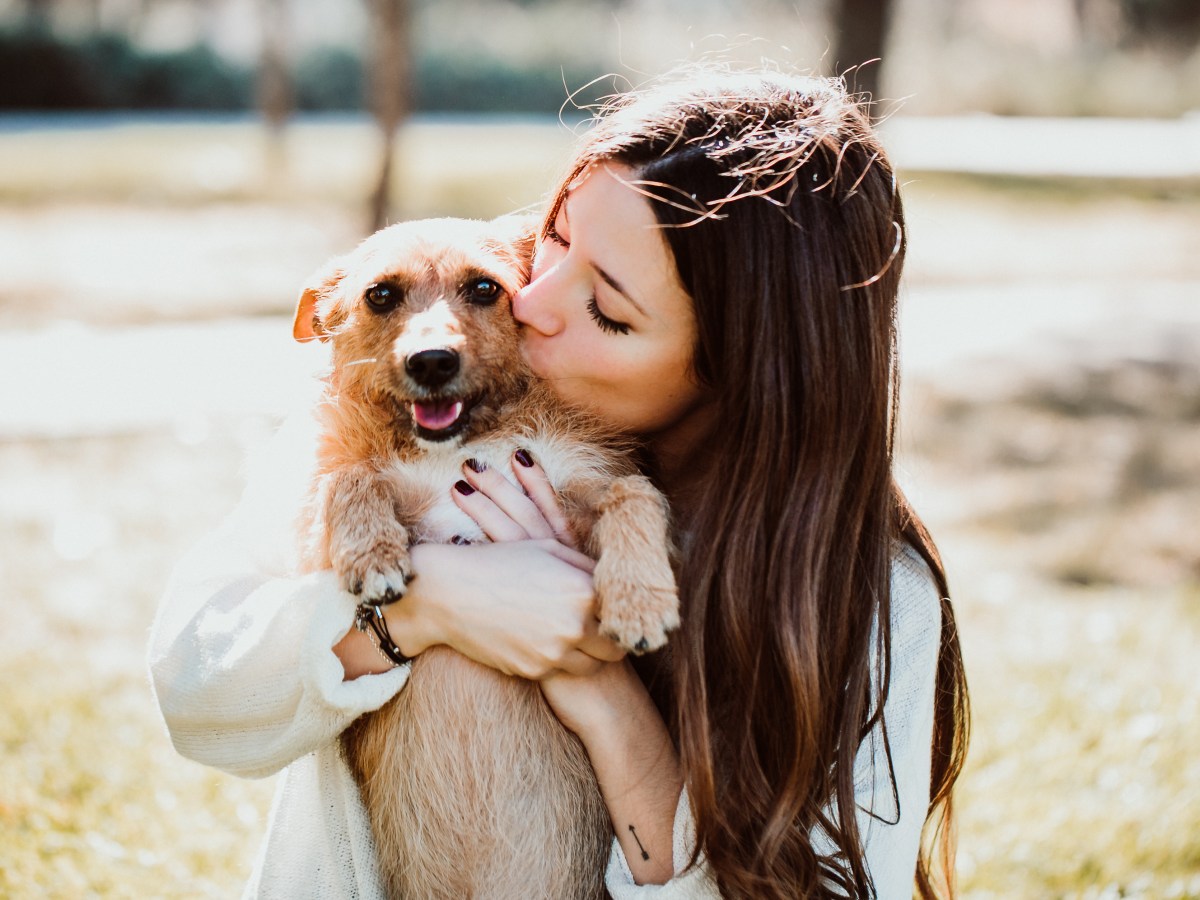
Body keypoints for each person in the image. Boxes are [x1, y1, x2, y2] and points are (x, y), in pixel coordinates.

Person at [149, 66, 969, 899]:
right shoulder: (364, 435)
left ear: (740, 367)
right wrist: (422, 608)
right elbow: (194, 689)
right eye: (552, 242)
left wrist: (600, 689)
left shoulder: (877, 603)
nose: (531, 304)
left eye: (607, 308)